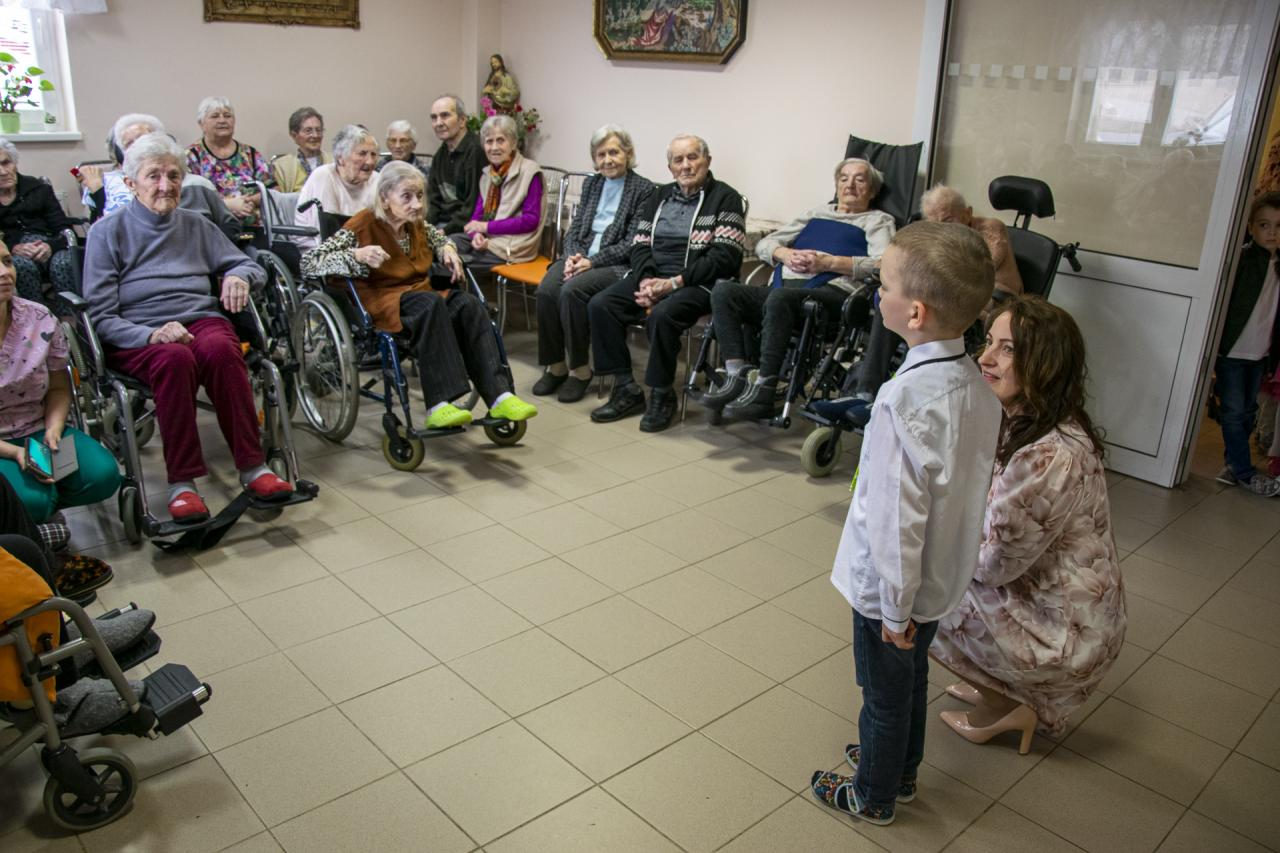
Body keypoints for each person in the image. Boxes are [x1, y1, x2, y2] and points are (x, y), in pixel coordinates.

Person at [811, 221, 1002, 826]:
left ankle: (873, 793)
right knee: (911, 679)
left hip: (892, 588)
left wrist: (893, 609)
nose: (878, 293)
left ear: (914, 312)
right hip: (938, 578)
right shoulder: (977, 387)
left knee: (883, 694)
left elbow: (897, 522)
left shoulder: (904, 401)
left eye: (885, 285)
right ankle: (902, 770)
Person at [931, 295, 1124, 747]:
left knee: (913, 584)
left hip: (1062, 636)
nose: (986, 358)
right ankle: (995, 682)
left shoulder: (1046, 454)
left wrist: (933, 534)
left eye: (1008, 349)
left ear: (1045, 365)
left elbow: (993, 566)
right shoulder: (1033, 420)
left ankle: (1006, 703)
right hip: (1054, 604)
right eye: (989, 342)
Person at [82, 133, 294, 524]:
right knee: (174, 359)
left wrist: (239, 276)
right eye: (154, 176)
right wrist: (150, 334)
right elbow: (100, 316)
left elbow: (246, 263)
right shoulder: (107, 232)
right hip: (139, 332)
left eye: (174, 175)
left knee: (222, 350)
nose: (166, 185)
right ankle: (182, 483)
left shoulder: (196, 225)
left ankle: (253, 467)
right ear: (130, 183)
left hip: (200, 319)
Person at [301, 161, 537, 430]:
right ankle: (439, 404)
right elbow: (310, 262)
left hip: (419, 295)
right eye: (407, 196)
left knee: (468, 305)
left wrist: (448, 249)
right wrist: (357, 254)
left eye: (420, 195)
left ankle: (500, 396)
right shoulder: (363, 224)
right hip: (383, 300)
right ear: (385, 198)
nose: (416, 204)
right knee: (431, 303)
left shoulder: (417, 224)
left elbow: (440, 239)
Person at [706, 158, 895, 421]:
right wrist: (785, 254)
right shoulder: (816, 213)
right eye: (843, 178)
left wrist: (830, 263)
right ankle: (736, 376)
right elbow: (765, 244)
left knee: (780, 298)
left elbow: (882, 264)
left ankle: (765, 388)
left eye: (859, 179)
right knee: (724, 291)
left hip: (830, 294)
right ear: (836, 185)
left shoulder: (877, 220)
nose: (850, 184)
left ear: (872, 190)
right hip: (784, 289)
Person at [588, 134, 745, 432]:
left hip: (699, 282)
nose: (686, 165)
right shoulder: (658, 196)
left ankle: (662, 394)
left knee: (662, 315)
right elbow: (639, 244)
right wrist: (648, 280)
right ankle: (626, 388)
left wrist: (673, 283)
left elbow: (724, 257)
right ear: (670, 167)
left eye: (693, 157)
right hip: (654, 276)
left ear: (707, 161)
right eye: (678, 160)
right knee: (601, 305)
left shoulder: (726, 198)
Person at [531, 125, 655, 403]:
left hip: (615, 264)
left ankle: (580, 370)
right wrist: (572, 257)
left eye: (614, 152)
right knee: (547, 290)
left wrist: (591, 261)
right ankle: (555, 366)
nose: (607, 160)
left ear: (628, 153)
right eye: (601, 154)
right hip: (579, 258)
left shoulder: (644, 189)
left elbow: (632, 242)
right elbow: (575, 229)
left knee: (571, 291)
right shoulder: (592, 184)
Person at [0, 240, 121, 524]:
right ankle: (33, 515)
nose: (4, 272)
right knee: (30, 502)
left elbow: (58, 386)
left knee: (102, 476)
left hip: (39, 428)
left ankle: (42, 506)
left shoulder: (38, 318)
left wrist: (53, 430)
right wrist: (16, 453)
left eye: (6, 261)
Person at [1213, 191, 1280, 496]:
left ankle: (1232, 464)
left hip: (1261, 353)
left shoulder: (1278, 264)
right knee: (1233, 411)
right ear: (1251, 227)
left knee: (1248, 411)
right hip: (1233, 351)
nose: (1272, 232)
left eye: (1278, 226)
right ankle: (1243, 471)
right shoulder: (1242, 260)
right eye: (1264, 225)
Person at [76, 113, 237, 238]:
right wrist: (99, 192)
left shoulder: (197, 184)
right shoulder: (104, 184)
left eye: (143, 139)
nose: (137, 148)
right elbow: (99, 234)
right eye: (129, 144)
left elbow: (230, 226)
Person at [456, 114, 544, 272]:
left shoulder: (530, 171)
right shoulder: (487, 174)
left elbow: (530, 221)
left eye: (501, 140)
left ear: (513, 143)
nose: (494, 147)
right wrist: (476, 235)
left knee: (453, 262)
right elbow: (477, 216)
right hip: (489, 238)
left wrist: (485, 227)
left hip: (514, 246)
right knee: (445, 245)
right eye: (489, 141)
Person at [0, 139, 77, 306]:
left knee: (64, 263)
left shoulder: (38, 189)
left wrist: (50, 246)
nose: (3, 171)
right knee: (21, 266)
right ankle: (34, 316)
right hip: (12, 254)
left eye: (6, 163)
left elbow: (65, 230)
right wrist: (13, 248)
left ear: (14, 163)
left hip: (51, 247)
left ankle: (70, 317)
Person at [185, 96, 273, 223]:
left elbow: (274, 191)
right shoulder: (191, 157)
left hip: (255, 226)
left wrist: (251, 201)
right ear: (201, 124)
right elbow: (188, 200)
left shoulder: (251, 154)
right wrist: (227, 204)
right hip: (212, 228)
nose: (222, 120)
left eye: (227, 116)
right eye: (215, 116)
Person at [293, 124, 381, 249]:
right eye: (362, 154)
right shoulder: (324, 176)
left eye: (373, 154)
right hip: (321, 251)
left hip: (365, 249)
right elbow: (327, 236)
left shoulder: (377, 180)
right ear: (340, 158)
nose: (370, 161)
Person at [426, 94, 485, 236]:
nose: (438, 123)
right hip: (442, 226)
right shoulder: (440, 155)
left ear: (462, 120)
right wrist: (425, 227)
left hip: (467, 228)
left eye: (445, 115)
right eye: (434, 118)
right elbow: (433, 201)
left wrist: (443, 232)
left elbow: (472, 205)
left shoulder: (476, 150)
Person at [272, 107, 332, 193]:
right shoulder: (283, 167)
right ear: (294, 135)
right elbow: (277, 197)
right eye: (308, 131)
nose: (315, 135)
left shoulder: (334, 161)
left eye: (318, 130)